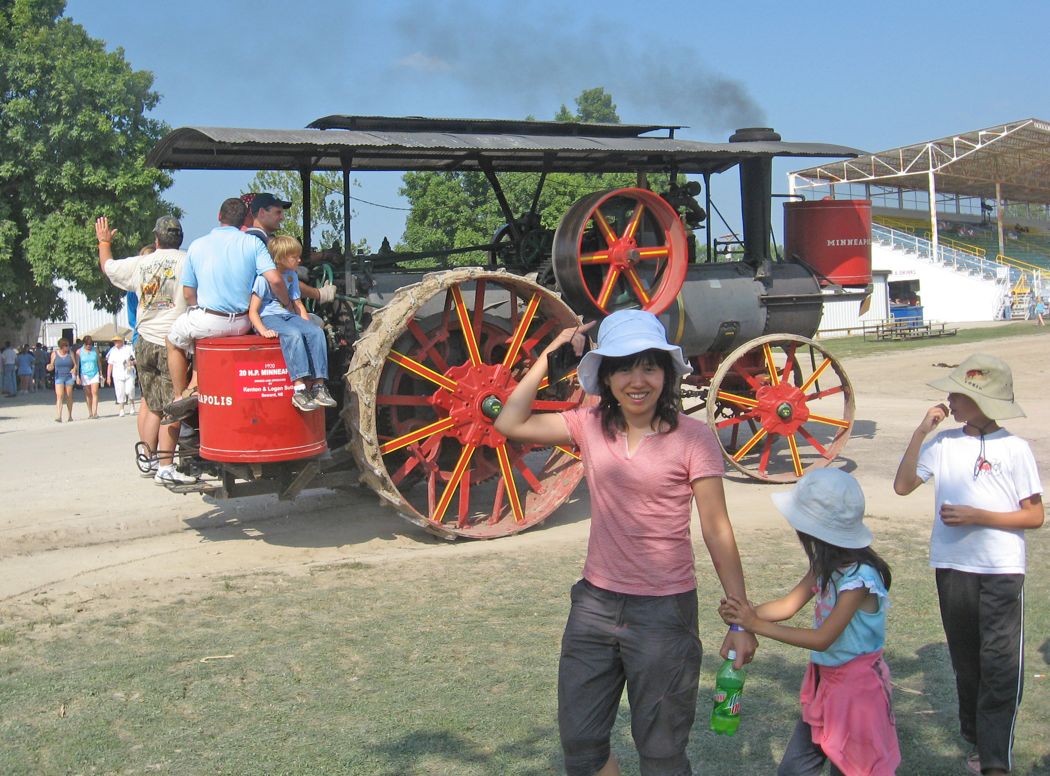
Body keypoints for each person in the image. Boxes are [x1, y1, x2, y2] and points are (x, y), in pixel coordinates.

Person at [494, 309, 756, 776]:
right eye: (623, 367)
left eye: (649, 366)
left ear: (667, 373)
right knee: (581, 742)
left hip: (664, 612)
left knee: (661, 752)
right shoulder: (589, 425)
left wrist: (741, 619)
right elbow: (510, 422)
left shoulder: (695, 439)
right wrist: (550, 355)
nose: (638, 380)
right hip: (594, 605)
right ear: (607, 377)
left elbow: (717, 529)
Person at [893, 354, 1043, 776]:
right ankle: (979, 742)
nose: (950, 400)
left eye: (958, 394)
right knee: (967, 662)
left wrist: (981, 517)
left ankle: (996, 761)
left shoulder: (1015, 449)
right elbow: (903, 486)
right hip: (952, 568)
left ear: (982, 401)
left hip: (1001, 570)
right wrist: (923, 430)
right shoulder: (943, 445)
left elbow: (1033, 515)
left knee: (1000, 662)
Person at [720, 470, 900, 775]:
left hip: (857, 692)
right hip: (824, 682)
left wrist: (756, 624)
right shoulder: (824, 566)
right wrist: (743, 618)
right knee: (794, 769)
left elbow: (823, 639)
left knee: (853, 768)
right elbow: (787, 606)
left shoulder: (860, 579)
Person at [165, 197, 292, 414]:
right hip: (242, 322)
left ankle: (180, 396)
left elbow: (188, 294)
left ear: (218, 217)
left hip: (209, 320)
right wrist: (287, 303)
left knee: (172, 339)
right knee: (197, 330)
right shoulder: (252, 243)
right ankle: (195, 387)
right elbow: (276, 280)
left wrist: (201, 308)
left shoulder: (197, 245)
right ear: (245, 219)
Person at [97, 215, 196, 484]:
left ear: (156, 239)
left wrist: (104, 241)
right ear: (180, 238)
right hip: (171, 342)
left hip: (143, 342)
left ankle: (150, 458)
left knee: (152, 405)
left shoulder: (141, 263)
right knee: (176, 404)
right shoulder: (188, 260)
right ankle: (166, 466)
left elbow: (107, 267)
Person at [247, 235, 336, 411]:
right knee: (293, 335)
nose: (299, 260)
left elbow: (297, 304)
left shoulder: (291, 276)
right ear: (280, 258)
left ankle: (319, 386)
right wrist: (262, 330)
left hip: (288, 316)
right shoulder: (263, 279)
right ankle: (299, 389)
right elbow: (253, 311)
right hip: (269, 318)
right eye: (294, 257)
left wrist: (307, 326)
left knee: (316, 332)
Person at [242, 191, 336, 306]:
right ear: (262, 212)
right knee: (315, 322)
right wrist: (319, 294)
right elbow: (281, 280)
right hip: (266, 311)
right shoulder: (260, 242)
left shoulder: (250, 238)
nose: (282, 218)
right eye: (278, 212)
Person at [47, 338, 77, 422]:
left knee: (69, 396)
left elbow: (75, 365)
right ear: (61, 346)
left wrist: (74, 369)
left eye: (68, 345)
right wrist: (49, 367)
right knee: (59, 396)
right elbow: (51, 364)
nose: (67, 347)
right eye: (66, 346)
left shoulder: (70, 353)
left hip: (69, 376)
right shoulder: (54, 354)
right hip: (59, 376)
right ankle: (59, 416)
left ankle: (70, 415)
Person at [106, 336, 136, 416]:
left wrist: (131, 362)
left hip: (128, 373)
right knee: (120, 392)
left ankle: (132, 404)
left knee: (130, 390)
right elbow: (110, 364)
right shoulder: (112, 351)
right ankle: (121, 409)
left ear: (121, 341)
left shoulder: (128, 348)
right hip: (117, 374)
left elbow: (134, 359)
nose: (115, 343)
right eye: (114, 341)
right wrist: (108, 377)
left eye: (117, 341)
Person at [76, 335, 104, 418]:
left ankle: (95, 412)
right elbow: (78, 365)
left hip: (95, 373)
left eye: (90, 344)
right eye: (87, 344)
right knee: (88, 394)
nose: (89, 346)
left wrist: (101, 374)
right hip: (84, 374)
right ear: (84, 344)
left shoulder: (95, 350)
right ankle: (90, 412)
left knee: (95, 392)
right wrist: (77, 376)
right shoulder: (79, 352)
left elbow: (99, 363)